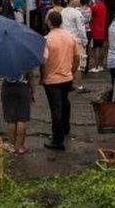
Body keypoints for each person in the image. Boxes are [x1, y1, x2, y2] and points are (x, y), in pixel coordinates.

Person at [41, 11, 79, 151]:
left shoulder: (47, 39)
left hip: (52, 79)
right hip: (67, 77)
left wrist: (43, 76)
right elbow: (77, 58)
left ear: (50, 22)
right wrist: (72, 72)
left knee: (56, 108)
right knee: (65, 103)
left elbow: (44, 61)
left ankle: (58, 139)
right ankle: (65, 128)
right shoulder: (70, 37)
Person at [2, 69, 34, 155]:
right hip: (22, 87)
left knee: (11, 119)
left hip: (7, 87)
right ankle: (20, 146)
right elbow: (30, 75)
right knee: (22, 118)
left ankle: (11, 145)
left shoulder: (3, 57)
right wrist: (32, 90)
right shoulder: (26, 57)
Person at [61, 0, 87, 89]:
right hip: (76, 40)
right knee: (79, 63)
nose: (78, 0)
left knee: (68, 62)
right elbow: (81, 29)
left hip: (65, 40)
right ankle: (79, 85)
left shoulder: (63, 12)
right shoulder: (77, 13)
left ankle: (69, 83)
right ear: (70, 0)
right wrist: (85, 40)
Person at [87, 0, 108, 73]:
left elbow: (88, 11)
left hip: (95, 30)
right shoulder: (103, 5)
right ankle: (100, 65)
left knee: (95, 48)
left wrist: (90, 3)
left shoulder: (95, 6)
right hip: (102, 29)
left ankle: (95, 66)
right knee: (101, 47)